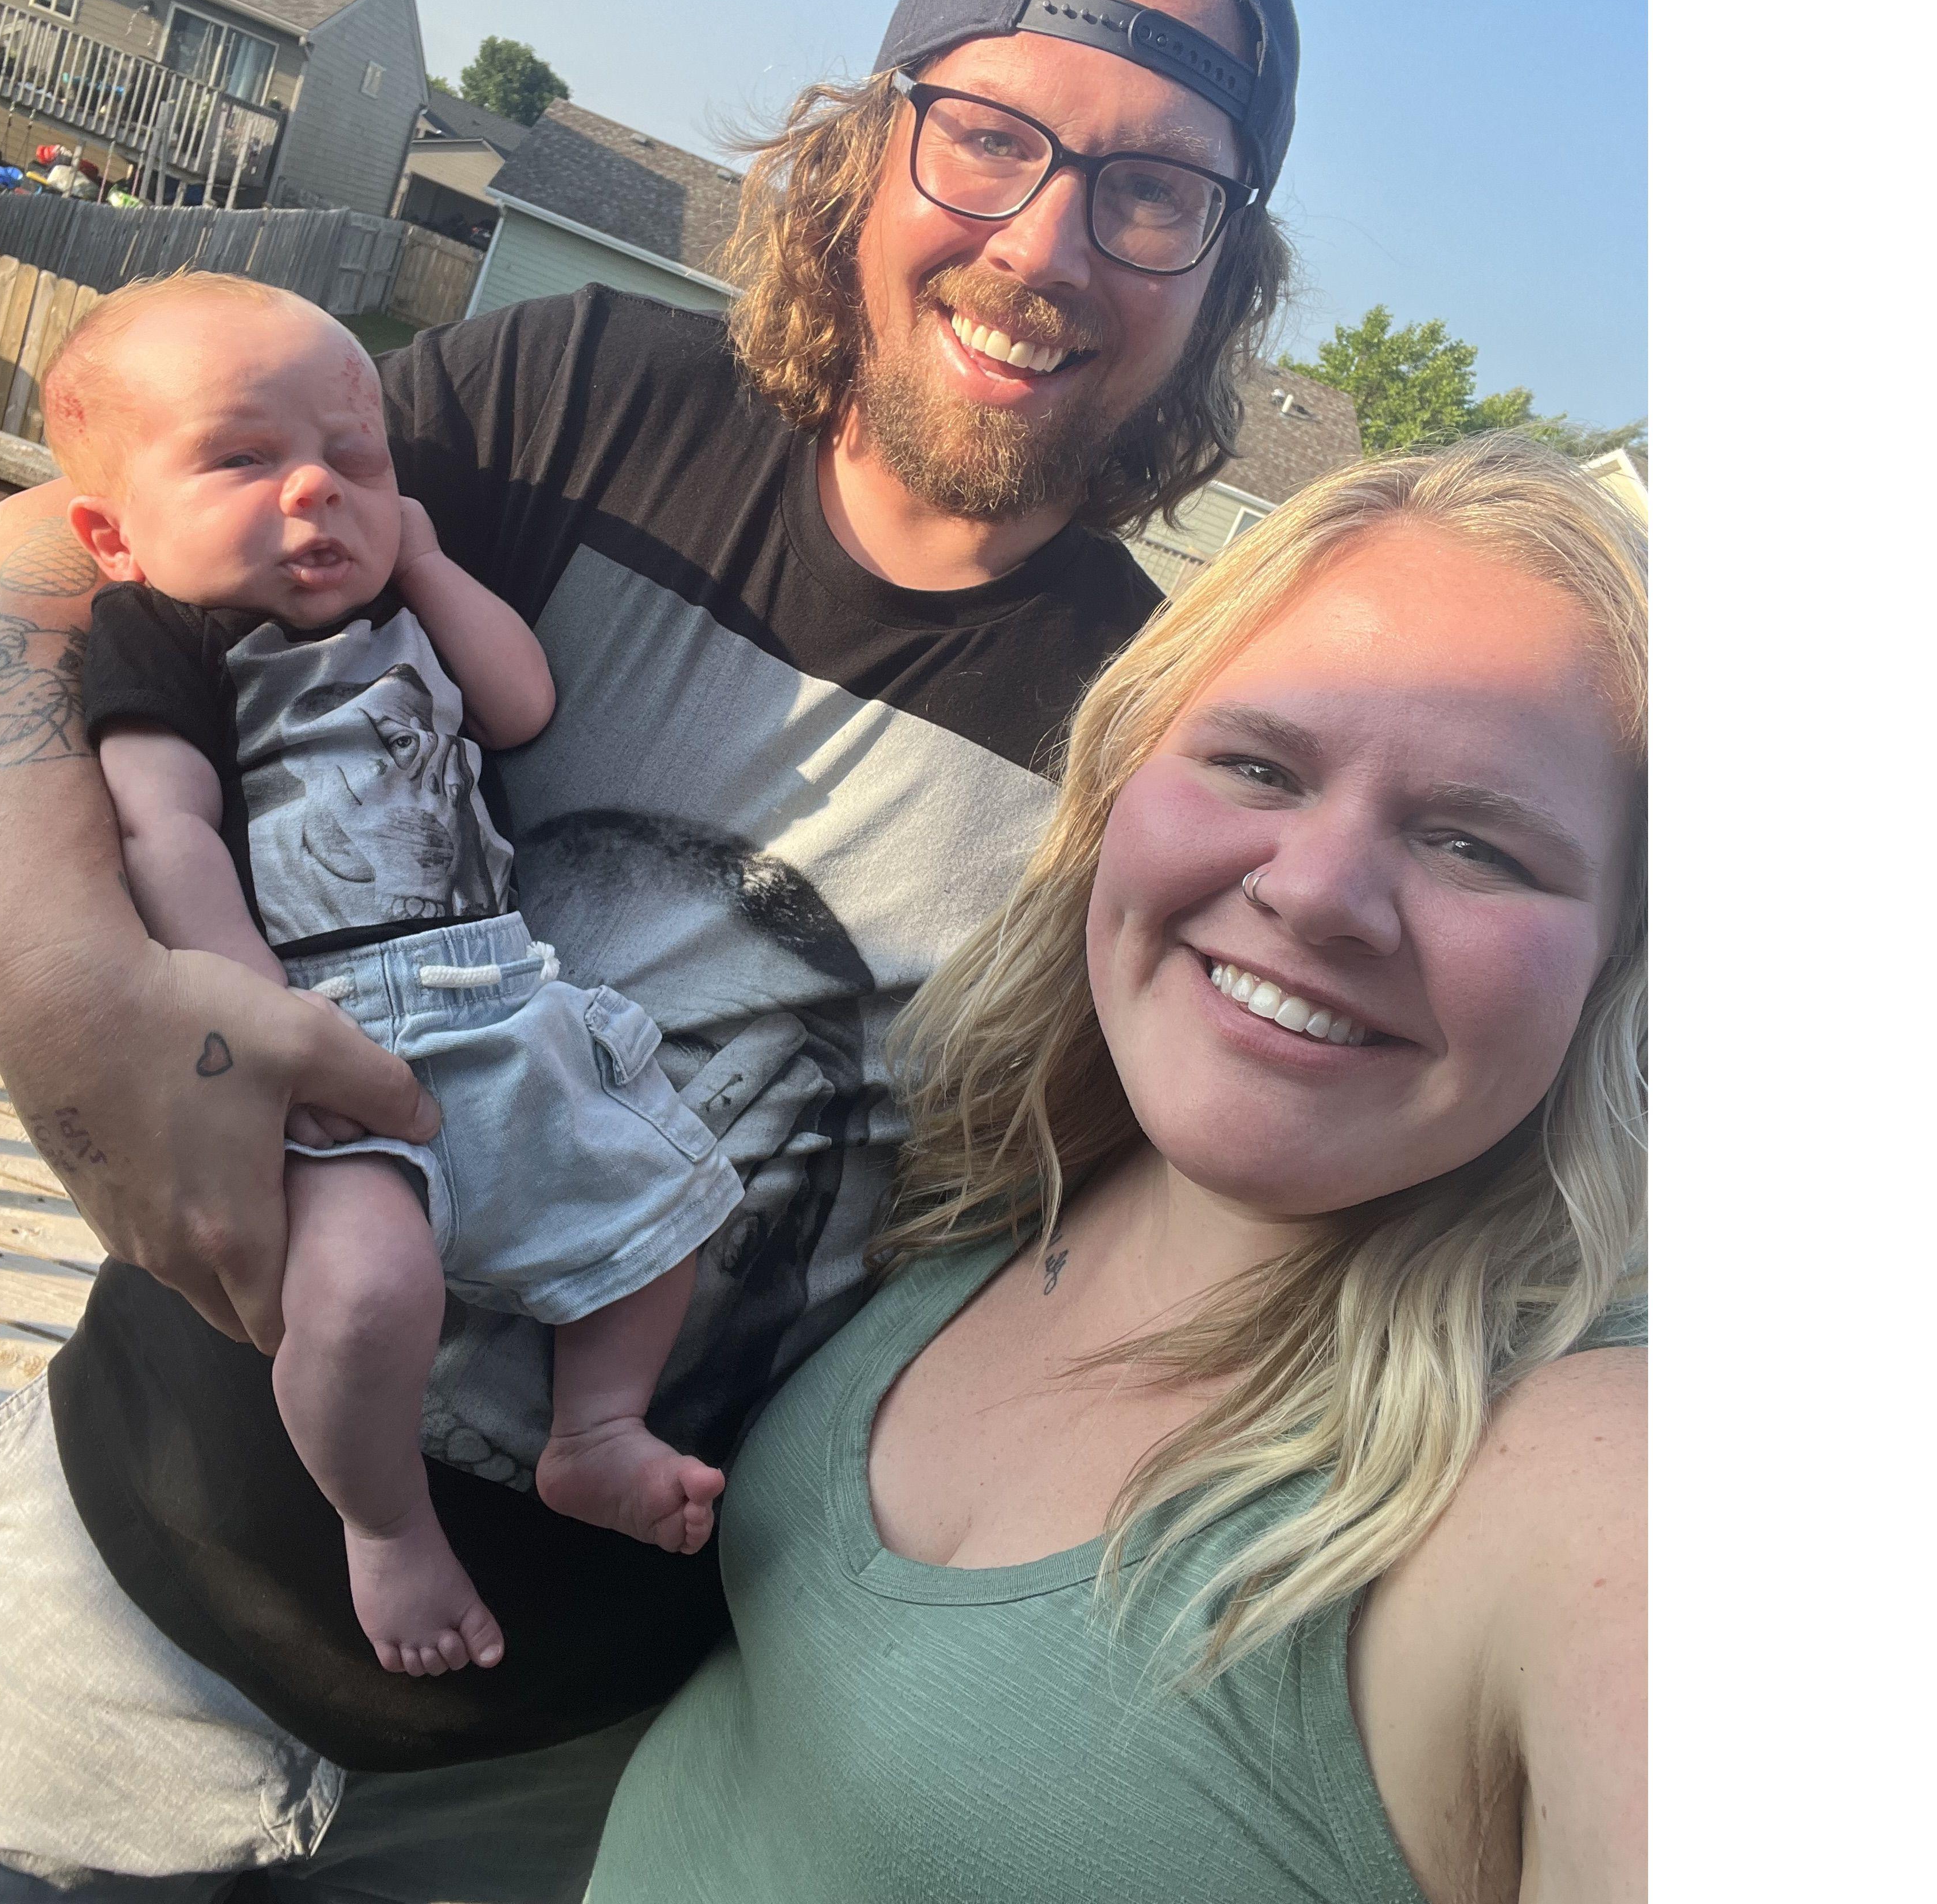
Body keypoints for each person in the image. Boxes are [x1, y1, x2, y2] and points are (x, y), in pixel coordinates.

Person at [0, 0, 1300, 1898]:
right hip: (101, 1618)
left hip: (563, 1790)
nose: (1045, 245)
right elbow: (37, 555)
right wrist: (52, 972)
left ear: (1223, 273)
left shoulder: (1156, 739)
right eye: (991, 137)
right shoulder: (563, 402)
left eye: (1156, 191)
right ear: (870, 145)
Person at [588, 436, 1648, 1904]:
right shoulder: (1014, 1161)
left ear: (1623, 967)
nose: (1316, 892)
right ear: (1122, 778)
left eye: (1478, 846)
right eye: (1258, 766)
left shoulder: (1600, 1476)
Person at [45, 271, 744, 1680]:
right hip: (326, 1026)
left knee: (669, 1208)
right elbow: (165, 831)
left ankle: (595, 1431)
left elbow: (522, 704)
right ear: (115, 535)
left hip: (500, 995)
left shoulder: (406, 607)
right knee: (366, 1297)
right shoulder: (168, 634)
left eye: (355, 462)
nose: (317, 491)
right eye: (243, 460)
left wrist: (422, 561)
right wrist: (256, 1023)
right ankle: (384, 1521)